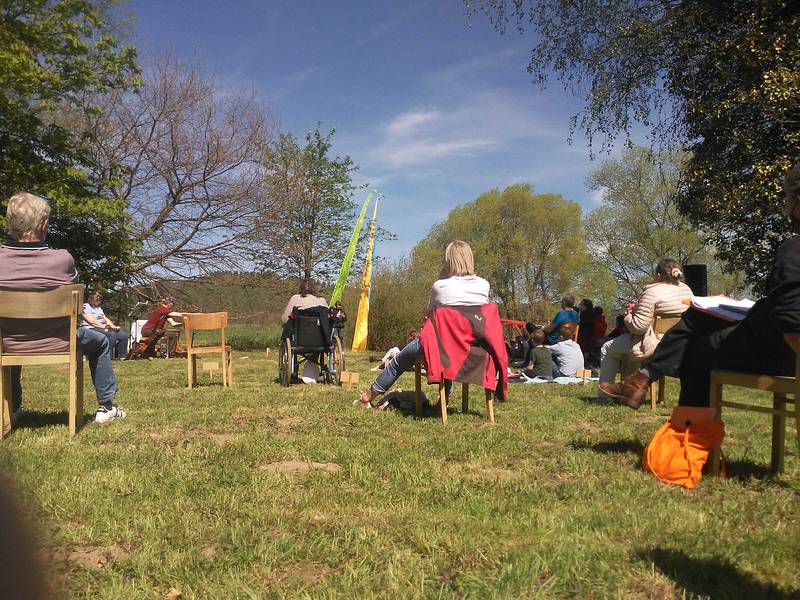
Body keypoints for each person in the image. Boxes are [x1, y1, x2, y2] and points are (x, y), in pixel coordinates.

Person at [601, 164, 800, 409]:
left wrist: (629, 316)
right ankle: (642, 379)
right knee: (697, 317)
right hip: (770, 337)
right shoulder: (686, 291)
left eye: (787, 199)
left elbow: (794, 327)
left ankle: (688, 437)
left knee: (695, 350)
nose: (786, 208)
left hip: (781, 354)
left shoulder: (795, 251)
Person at [0, 193, 125, 424]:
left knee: (11, 333)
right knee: (101, 342)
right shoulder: (62, 259)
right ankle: (106, 406)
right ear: (44, 224)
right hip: (60, 341)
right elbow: (75, 301)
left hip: (8, 343)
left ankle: (14, 408)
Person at [358, 240, 490, 407]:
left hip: (443, 347)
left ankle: (369, 395)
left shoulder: (441, 286)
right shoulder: (484, 285)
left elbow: (431, 315)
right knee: (446, 345)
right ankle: (445, 400)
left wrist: (442, 277)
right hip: (474, 350)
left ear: (448, 261)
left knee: (399, 360)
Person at [596, 259, 693, 402]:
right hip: (678, 345)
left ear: (658, 276)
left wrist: (628, 316)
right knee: (630, 348)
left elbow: (638, 327)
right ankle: (628, 390)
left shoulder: (652, 292)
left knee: (607, 348)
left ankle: (604, 396)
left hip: (654, 344)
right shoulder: (687, 290)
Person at [81, 290, 129, 359]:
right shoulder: (85, 307)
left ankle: (122, 357)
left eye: (99, 297)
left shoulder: (98, 308)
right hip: (91, 328)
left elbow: (106, 319)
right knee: (111, 334)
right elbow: (92, 322)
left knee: (123, 335)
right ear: (90, 298)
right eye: (96, 297)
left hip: (103, 328)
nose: (98, 298)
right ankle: (107, 357)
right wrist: (105, 327)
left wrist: (114, 327)